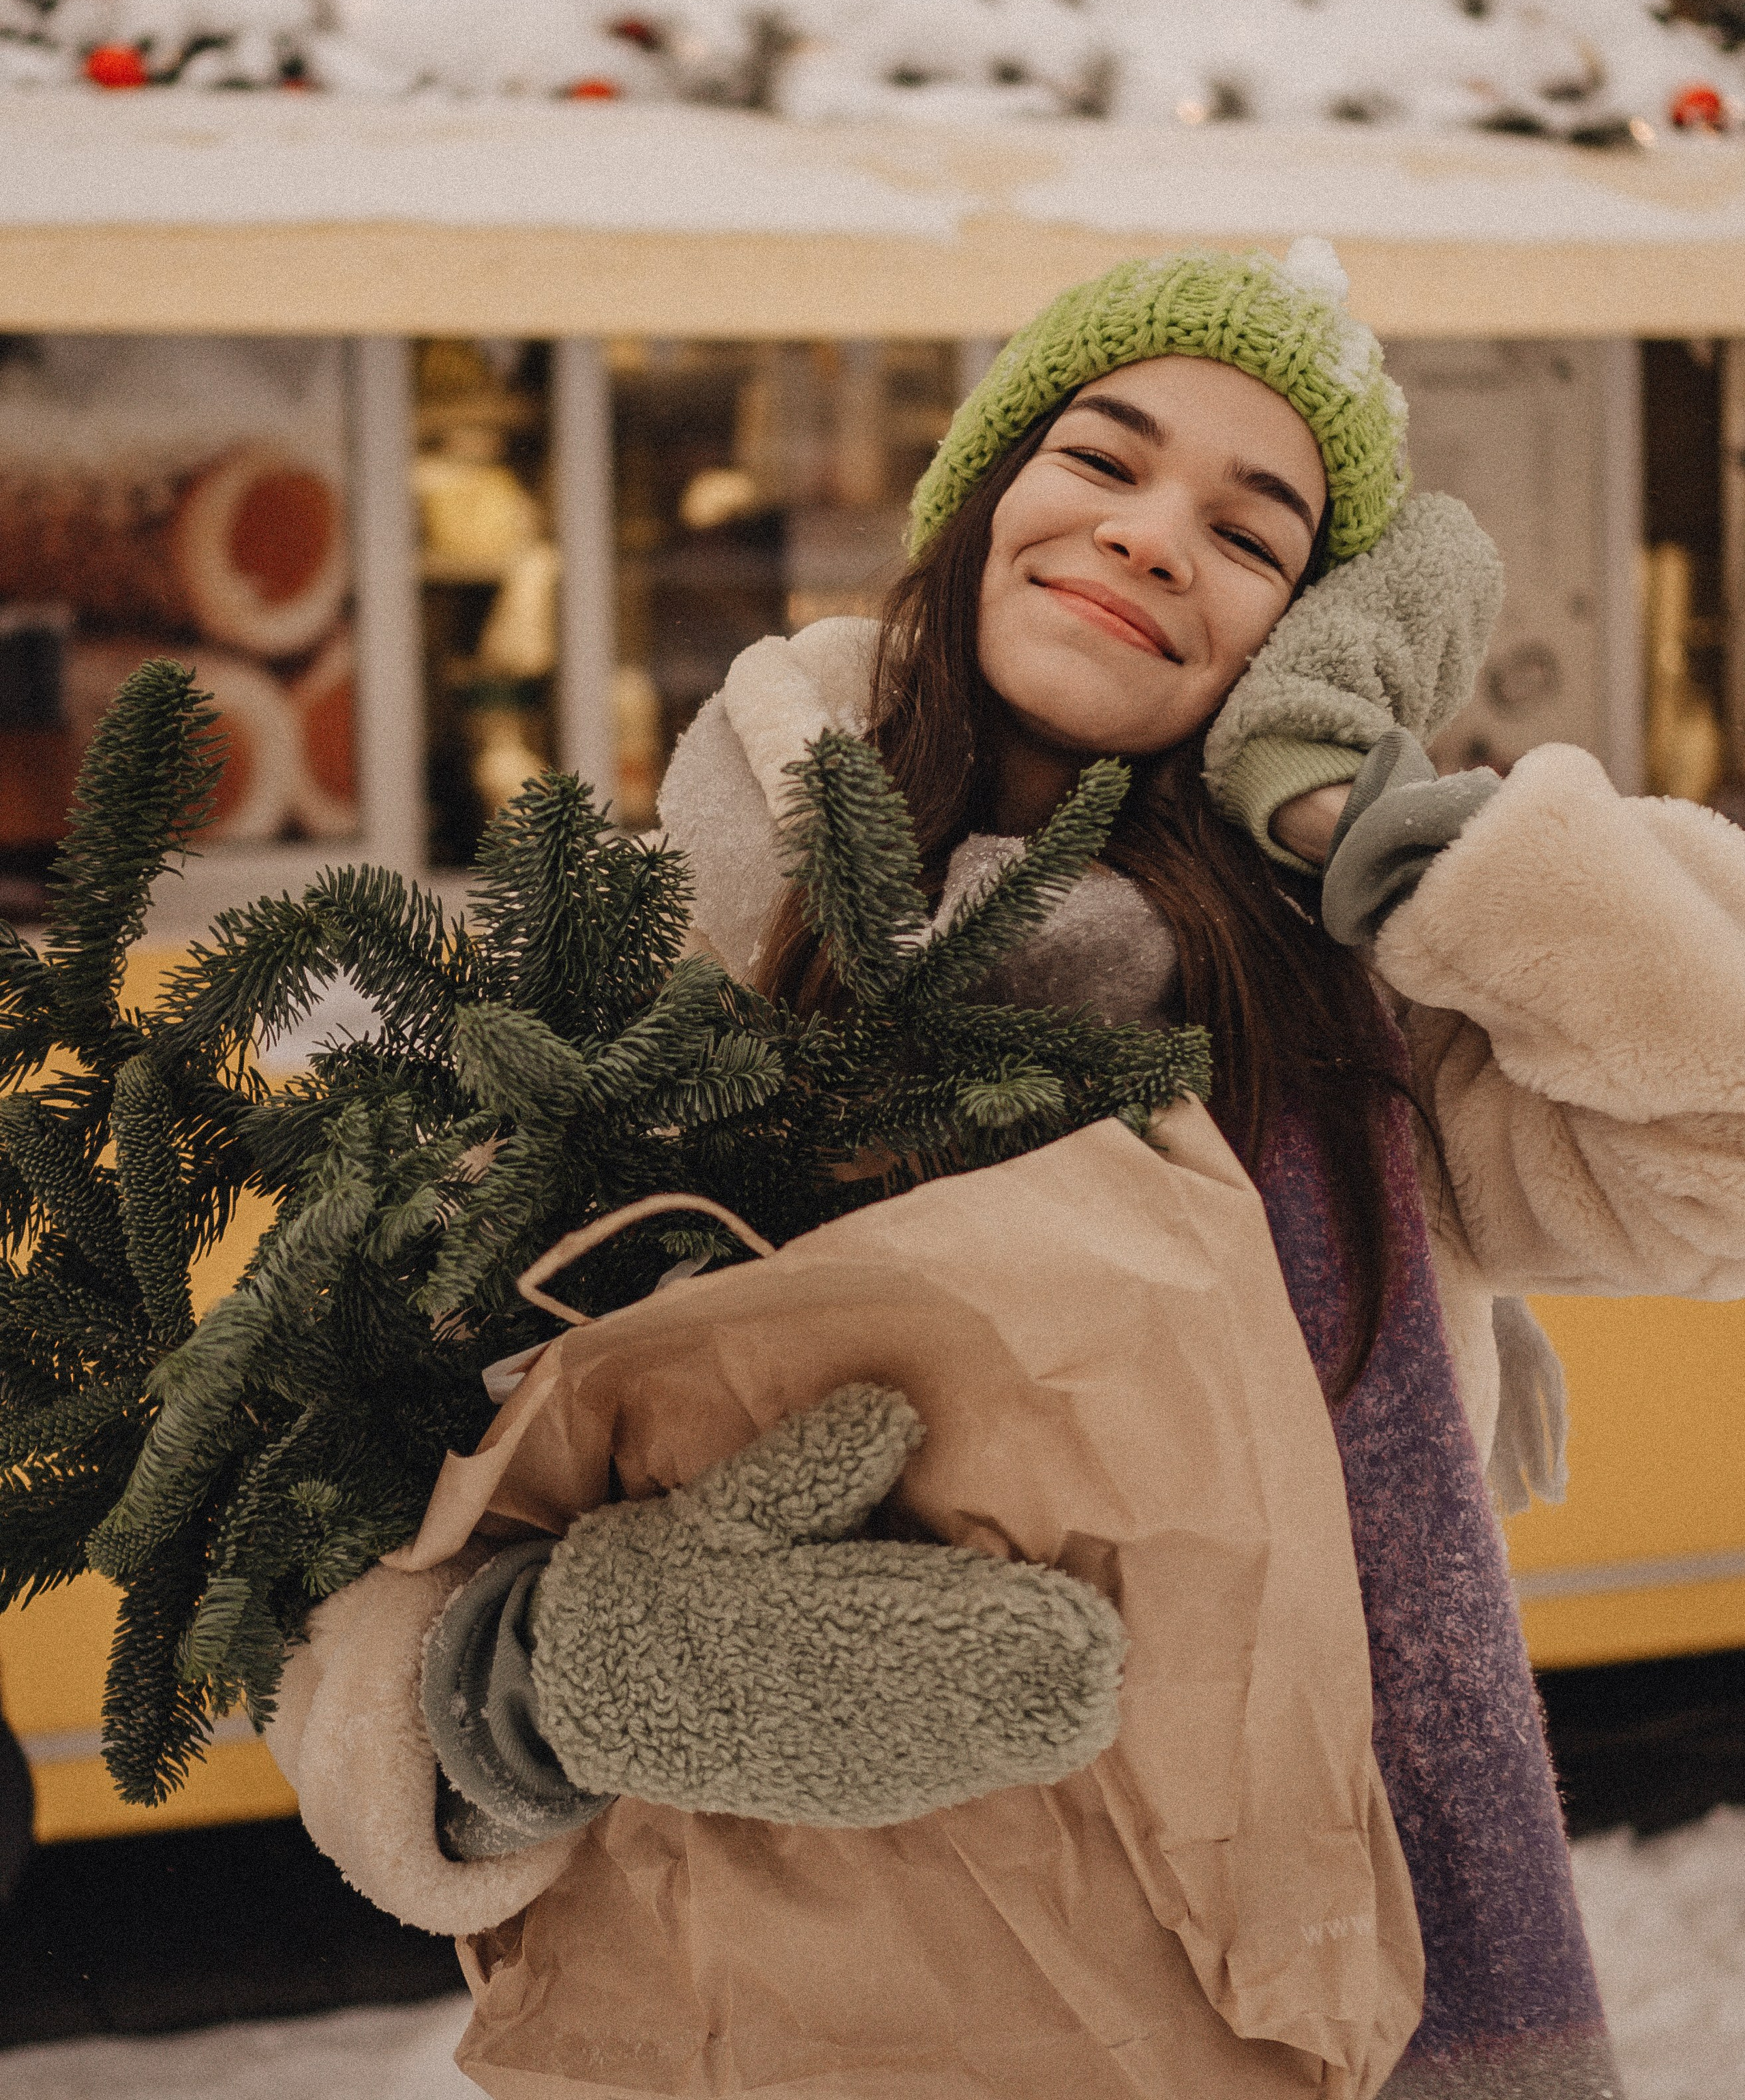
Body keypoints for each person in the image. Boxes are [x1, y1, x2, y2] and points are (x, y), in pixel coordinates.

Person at [268, 243, 1745, 2097]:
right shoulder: (681, 956)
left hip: (1322, 1991)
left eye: (1254, 531)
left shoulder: (1357, 1027)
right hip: (820, 2015)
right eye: (1102, 460)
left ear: (1310, 630)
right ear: (978, 497)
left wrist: (1374, 820)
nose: (1148, 536)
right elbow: (312, 1546)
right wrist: (528, 1681)